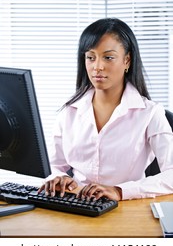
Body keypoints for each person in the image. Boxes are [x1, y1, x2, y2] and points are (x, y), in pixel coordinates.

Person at [39, 17, 173, 201]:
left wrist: (119, 191)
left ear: (127, 60)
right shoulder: (69, 112)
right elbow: (55, 168)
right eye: (90, 57)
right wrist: (59, 179)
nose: (97, 67)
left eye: (108, 57)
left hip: (127, 209)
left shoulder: (150, 113)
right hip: (77, 207)